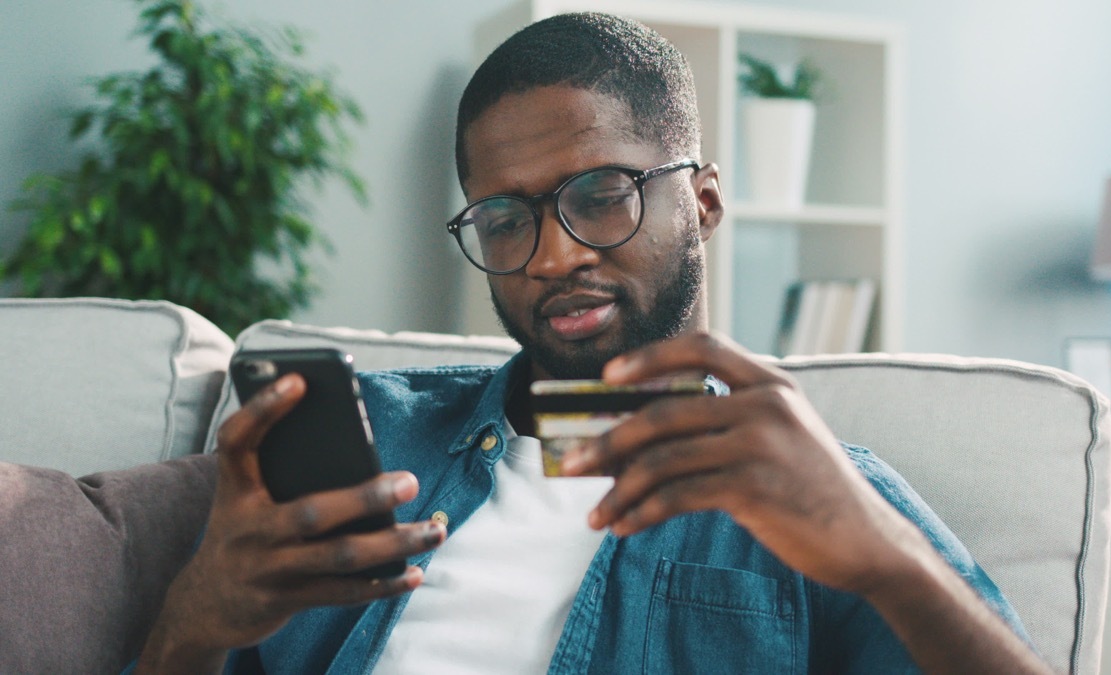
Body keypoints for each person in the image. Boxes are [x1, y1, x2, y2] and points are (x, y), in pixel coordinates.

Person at [135, 12, 1051, 674]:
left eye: (603, 192)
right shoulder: (375, 439)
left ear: (703, 202)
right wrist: (194, 623)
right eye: (505, 217)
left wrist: (886, 557)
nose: (556, 253)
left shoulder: (818, 489)